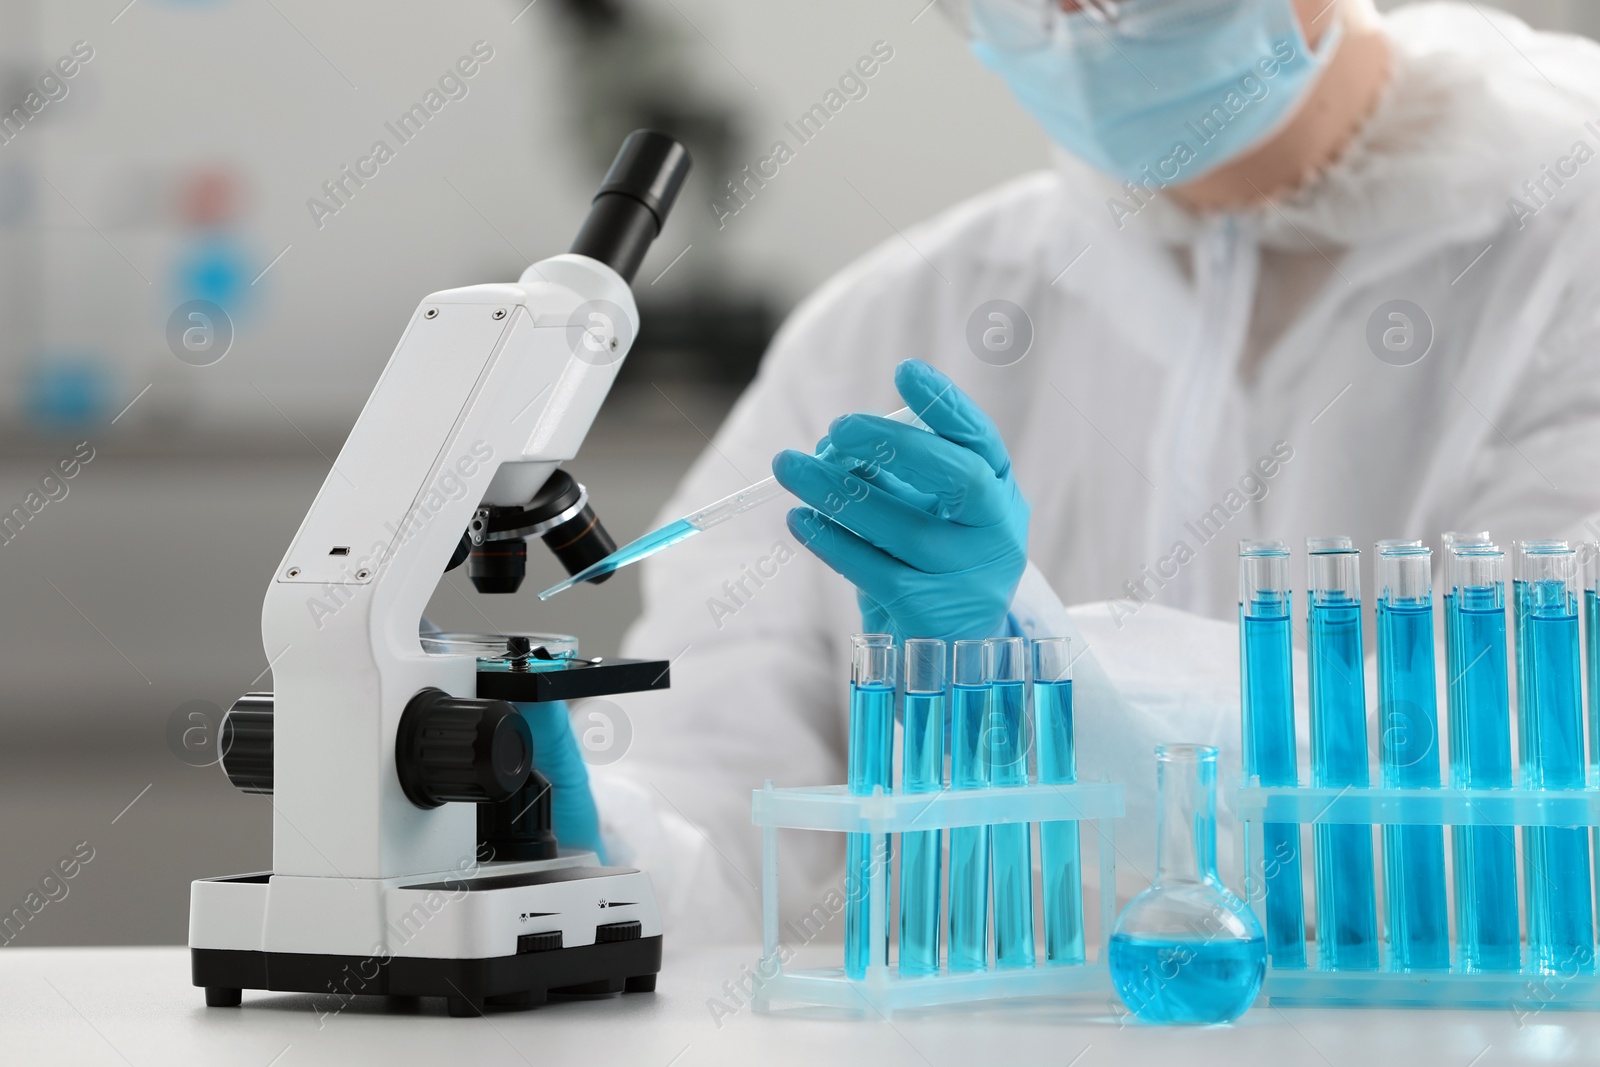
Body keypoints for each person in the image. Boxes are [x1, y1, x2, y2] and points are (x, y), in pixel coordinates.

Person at [532, 0, 1600, 944]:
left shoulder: (1568, 247)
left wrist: (1034, 664)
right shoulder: (900, 317)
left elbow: (1515, 762)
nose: (1077, 19)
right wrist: (587, 831)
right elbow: (735, 803)